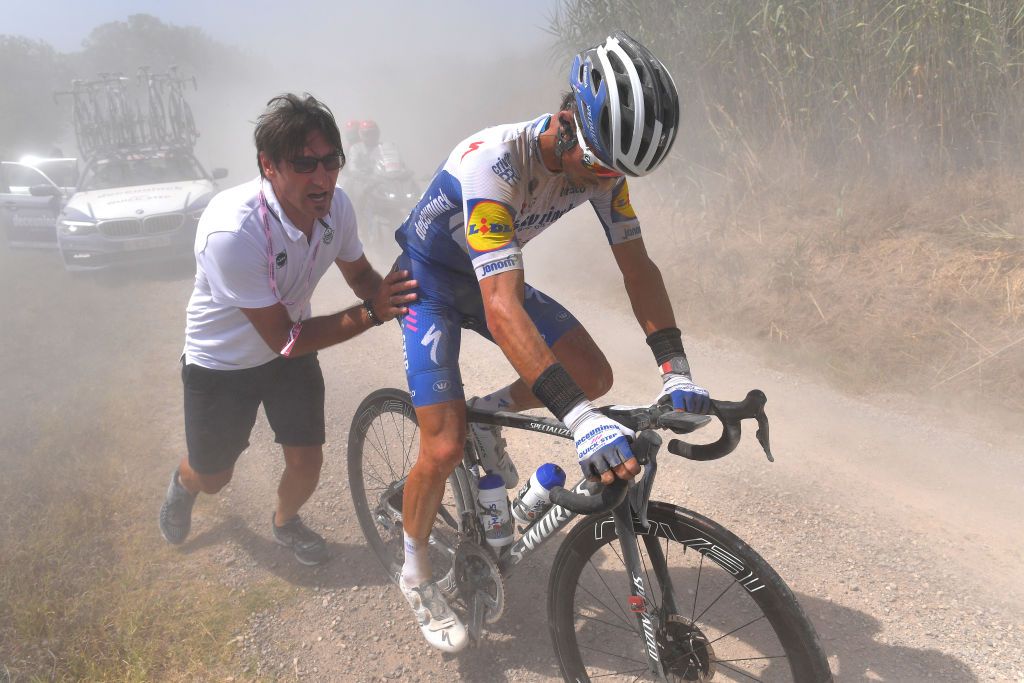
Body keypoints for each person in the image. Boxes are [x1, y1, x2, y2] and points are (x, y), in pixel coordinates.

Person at [391, 31, 710, 652]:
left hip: (490, 273)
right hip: (430, 284)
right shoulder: (493, 161)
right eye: (597, 165)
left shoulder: (602, 166)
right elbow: (501, 305)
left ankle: (491, 412)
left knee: (591, 373)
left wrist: (676, 367)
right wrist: (579, 420)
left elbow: (637, 268)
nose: (604, 179)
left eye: (616, 173)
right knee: (443, 444)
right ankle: (415, 574)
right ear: (567, 123)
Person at [158, 93, 416, 566]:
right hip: (223, 363)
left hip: (287, 358)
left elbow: (360, 277)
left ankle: (285, 521)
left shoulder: (336, 207)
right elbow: (287, 340)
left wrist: (402, 303)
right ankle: (184, 482)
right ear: (268, 165)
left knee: (307, 461)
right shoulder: (234, 233)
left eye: (330, 161)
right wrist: (375, 313)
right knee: (215, 476)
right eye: (303, 164)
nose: (321, 178)